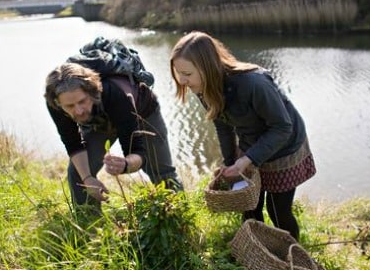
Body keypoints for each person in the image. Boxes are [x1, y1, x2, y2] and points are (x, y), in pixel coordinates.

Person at [169, 31, 316, 241]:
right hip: (251, 143)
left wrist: (247, 159)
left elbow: (282, 128)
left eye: (187, 74)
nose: (182, 81)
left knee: (278, 211)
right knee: (249, 208)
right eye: (178, 73)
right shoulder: (203, 86)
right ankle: (256, 252)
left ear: (207, 67)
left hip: (283, 146)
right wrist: (230, 164)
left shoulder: (254, 84)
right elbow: (222, 125)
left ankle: (292, 257)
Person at [45, 62, 183, 216]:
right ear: (58, 103)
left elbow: (138, 152)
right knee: (78, 172)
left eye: (82, 101)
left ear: (92, 93)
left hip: (142, 112)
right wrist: (88, 178)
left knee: (162, 172)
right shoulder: (55, 101)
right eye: (69, 106)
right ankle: (88, 229)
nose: (77, 111)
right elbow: (72, 142)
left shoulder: (115, 94)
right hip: (97, 120)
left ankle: (179, 218)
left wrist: (125, 164)